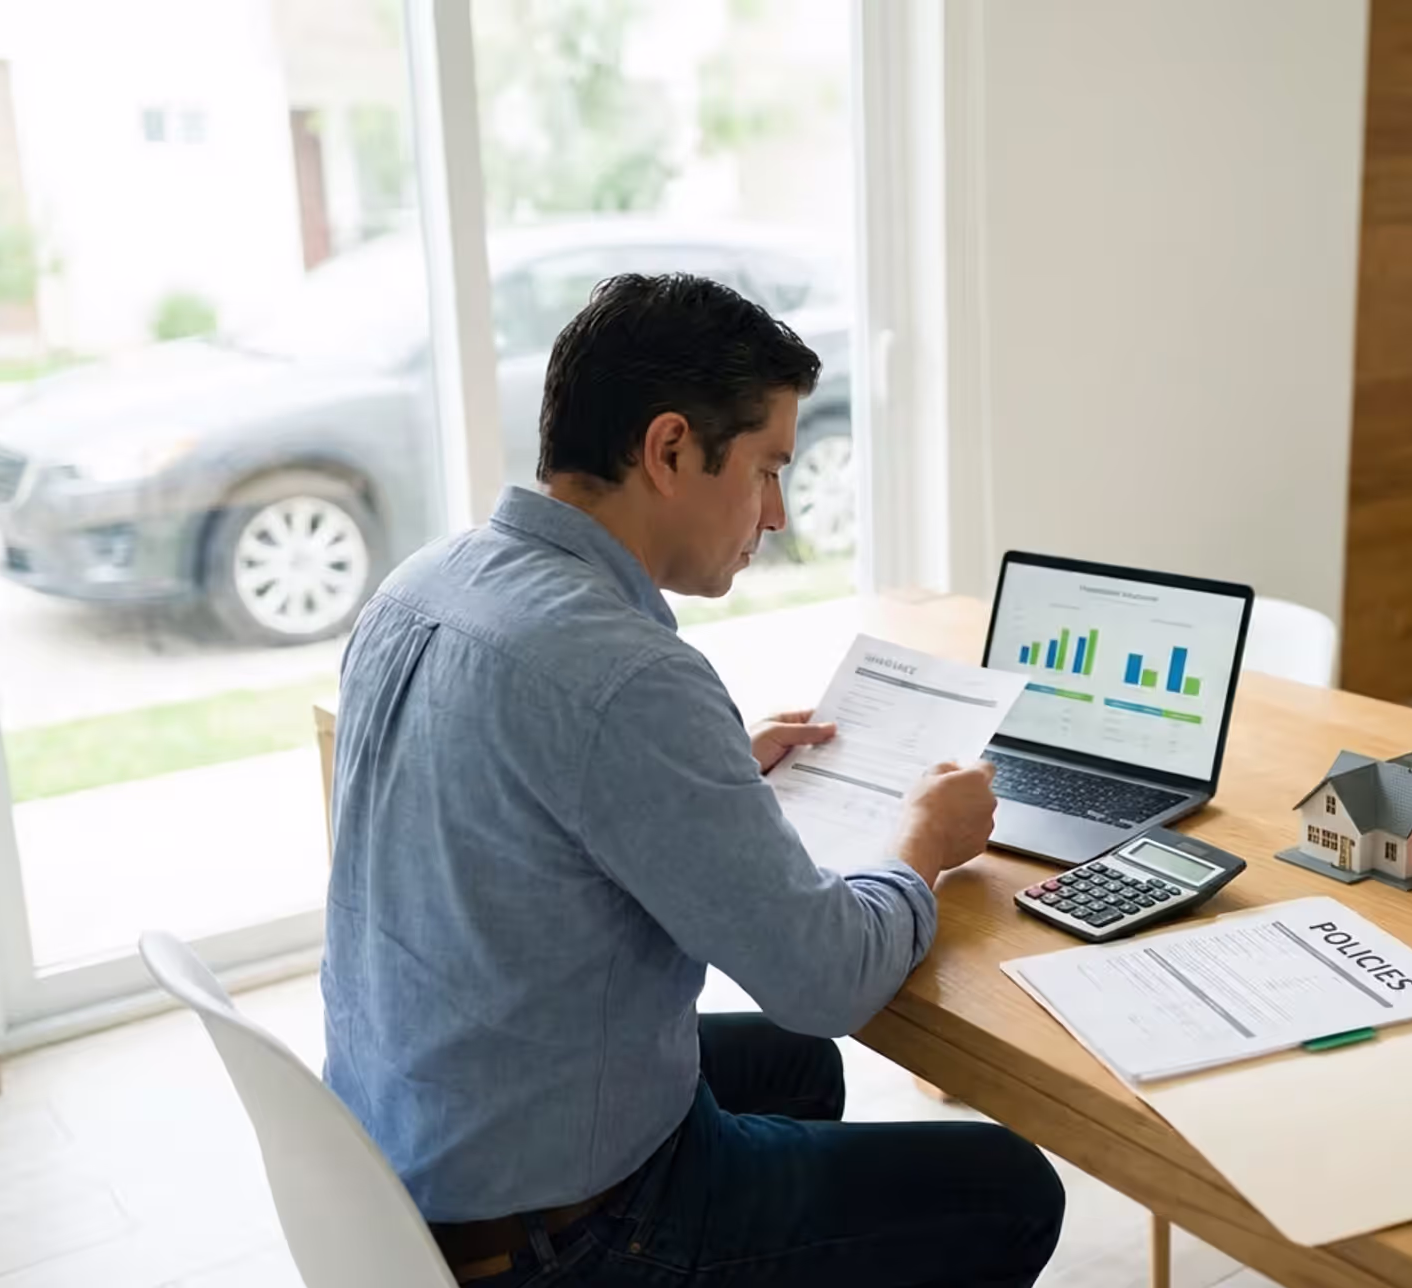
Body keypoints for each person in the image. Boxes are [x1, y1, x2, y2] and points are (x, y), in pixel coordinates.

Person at [321, 273, 1065, 1287]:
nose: (776, 513)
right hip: (560, 1236)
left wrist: (714, 768)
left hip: (403, 1158)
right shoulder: (627, 678)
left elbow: (524, 801)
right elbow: (827, 981)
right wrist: (924, 841)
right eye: (766, 468)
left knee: (795, 1072)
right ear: (670, 449)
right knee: (1010, 1188)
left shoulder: (424, 585)